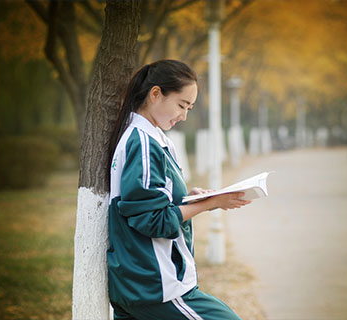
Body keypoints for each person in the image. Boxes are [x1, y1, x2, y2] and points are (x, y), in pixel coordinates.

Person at [107, 60, 251, 320]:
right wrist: (211, 203)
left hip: (140, 285)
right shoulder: (142, 141)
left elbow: (151, 202)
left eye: (190, 108)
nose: (184, 115)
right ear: (155, 94)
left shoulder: (154, 138)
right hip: (155, 286)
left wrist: (188, 198)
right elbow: (151, 220)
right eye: (181, 105)